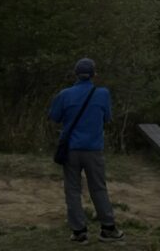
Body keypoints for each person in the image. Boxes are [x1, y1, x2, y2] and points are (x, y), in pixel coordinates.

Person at [48, 57, 125, 243]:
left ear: (75, 74)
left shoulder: (65, 94)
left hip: (71, 149)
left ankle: (79, 232)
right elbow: (107, 117)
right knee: (98, 188)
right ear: (94, 74)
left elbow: (54, 116)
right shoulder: (103, 94)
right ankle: (108, 228)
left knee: (72, 190)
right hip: (93, 149)